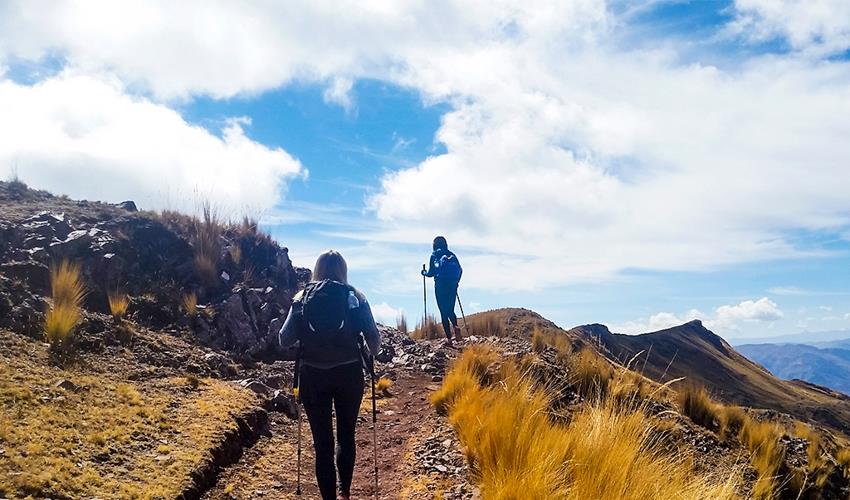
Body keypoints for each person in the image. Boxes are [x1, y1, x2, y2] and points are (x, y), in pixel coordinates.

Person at [279, 250, 380, 500]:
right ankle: (344, 491)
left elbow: (284, 339)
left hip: (312, 376)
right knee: (346, 435)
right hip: (349, 374)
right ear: (343, 270)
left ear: (317, 270)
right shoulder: (354, 296)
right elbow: (374, 339)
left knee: (322, 443)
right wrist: (368, 352)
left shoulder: (302, 298)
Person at [422, 236, 463, 346]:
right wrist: (456, 283)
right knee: (450, 309)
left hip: (440, 285)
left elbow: (431, 273)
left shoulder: (434, 255)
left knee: (443, 312)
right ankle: (456, 326)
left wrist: (424, 273)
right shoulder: (452, 254)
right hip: (452, 285)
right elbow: (460, 270)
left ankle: (449, 339)